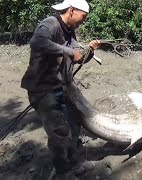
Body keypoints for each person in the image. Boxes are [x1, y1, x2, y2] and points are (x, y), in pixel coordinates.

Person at [20, 0, 100, 179]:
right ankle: (63, 172)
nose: (83, 21)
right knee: (59, 132)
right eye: (83, 16)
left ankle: (74, 163)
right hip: (42, 89)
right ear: (71, 11)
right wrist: (70, 52)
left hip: (61, 86)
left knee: (72, 126)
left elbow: (77, 58)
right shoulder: (51, 23)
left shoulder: (70, 31)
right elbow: (37, 42)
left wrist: (89, 51)